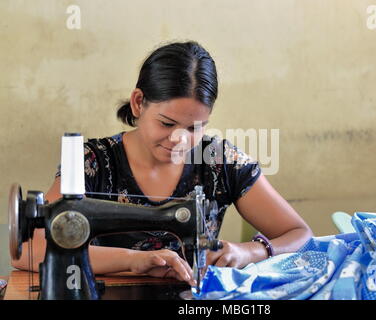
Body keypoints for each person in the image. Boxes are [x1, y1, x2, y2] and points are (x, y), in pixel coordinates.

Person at [11, 41, 313, 286]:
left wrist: (250, 251)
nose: (180, 140)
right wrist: (132, 261)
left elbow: (300, 234)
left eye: (195, 128)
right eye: (167, 123)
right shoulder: (92, 161)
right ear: (138, 102)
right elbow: (29, 249)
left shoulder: (220, 161)